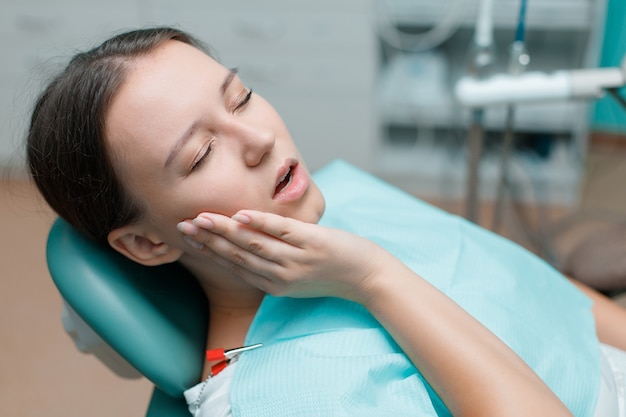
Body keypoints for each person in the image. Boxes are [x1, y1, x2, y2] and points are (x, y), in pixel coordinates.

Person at [26, 27, 626, 417]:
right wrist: (373, 278)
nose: (260, 137)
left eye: (240, 98)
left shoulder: (337, 193)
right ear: (146, 241)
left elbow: (540, 287)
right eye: (201, 155)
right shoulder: (282, 398)